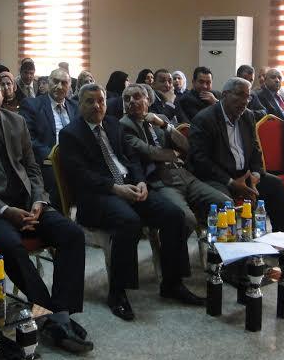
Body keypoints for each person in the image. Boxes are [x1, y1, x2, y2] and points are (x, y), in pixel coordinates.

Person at [0, 70, 92, 353]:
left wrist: (39, 200)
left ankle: (61, 313)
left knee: (71, 233)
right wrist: (4, 210)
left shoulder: (16, 121)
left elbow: (32, 167)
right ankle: (47, 318)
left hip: (26, 203)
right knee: (10, 245)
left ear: (3, 92)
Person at [60, 83, 202, 321]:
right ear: (79, 104)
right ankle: (117, 293)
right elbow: (80, 175)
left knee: (174, 215)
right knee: (130, 222)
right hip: (98, 196)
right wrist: (115, 188)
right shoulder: (70, 134)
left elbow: (131, 158)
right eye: (90, 101)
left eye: (101, 101)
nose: (97, 106)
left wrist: (141, 182)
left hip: (130, 186)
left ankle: (172, 283)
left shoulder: (113, 124)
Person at [187, 78, 284, 253]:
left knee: (276, 185)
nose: (244, 101)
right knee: (223, 200)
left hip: (246, 175)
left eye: (248, 96)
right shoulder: (205, 119)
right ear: (225, 95)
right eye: (240, 95)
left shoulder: (247, 116)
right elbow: (200, 161)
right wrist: (231, 182)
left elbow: (255, 150)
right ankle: (230, 254)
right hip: (217, 178)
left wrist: (256, 176)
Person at [120, 83, 228, 229]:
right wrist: (175, 154)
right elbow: (149, 152)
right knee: (187, 219)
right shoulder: (124, 125)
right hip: (161, 179)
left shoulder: (160, 118)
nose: (131, 101)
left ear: (148, 100)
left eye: (137, 97)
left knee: (226, 204)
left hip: (184, 174)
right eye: (127, 99)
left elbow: (185, 145)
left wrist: (164, 125)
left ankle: (211, 239)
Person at [20, 68, 78, 206]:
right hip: (48, 160)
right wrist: (54, 156)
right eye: (55, 81)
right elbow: (27, 138)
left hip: (75, 160)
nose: (59, 86)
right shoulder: (32, 105)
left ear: (69, 86)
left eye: (64, 83)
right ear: (48, 82)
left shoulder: (75, 107)